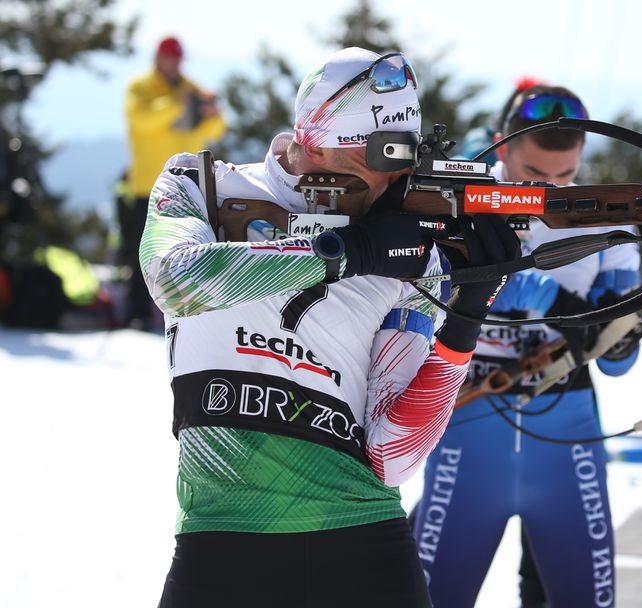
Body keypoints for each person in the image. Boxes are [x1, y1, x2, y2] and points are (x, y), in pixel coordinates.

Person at [141, 47, 519, 607]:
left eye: (408, 153)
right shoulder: (199, 186)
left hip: (367, 547)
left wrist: (465, 323)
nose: (398, 174)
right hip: (222, 541)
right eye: (382, 153)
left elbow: (393, 456)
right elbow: (174, 280)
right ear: (315, 144)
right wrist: (346, 253)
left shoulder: (412, 252)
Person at [412, 84, 641, 608]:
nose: (547, 189)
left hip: (566, 426)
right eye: (533, 174)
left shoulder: (607, 216)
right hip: (469, 420)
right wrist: (547, 294)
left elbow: (620, 363)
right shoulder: (457, 199)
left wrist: (617, 334)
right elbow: (435, 286)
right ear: (502, 144)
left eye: (565, 175)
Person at [123, 36, 225, 328]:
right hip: (146, 183)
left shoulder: (190, 88)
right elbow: (142, 121)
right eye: (170, 58)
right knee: (138, 251)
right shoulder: (140, 87)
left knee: (189, 248)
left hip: (186, 185)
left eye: (177, 59)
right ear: (158, 57)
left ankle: (188, 312)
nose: (174, 64)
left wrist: (212, 114)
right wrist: (176, 105)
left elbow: (216, 130)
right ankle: (138, 314)